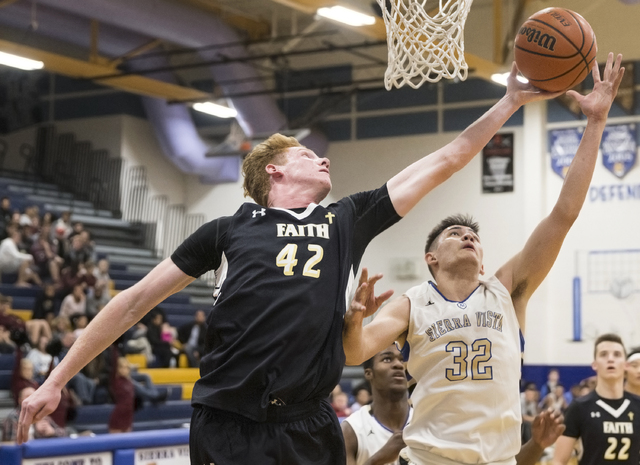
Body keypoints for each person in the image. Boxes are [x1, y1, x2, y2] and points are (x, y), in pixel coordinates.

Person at [17, 59, 563, 463]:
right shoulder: (227, 230)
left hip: (307, 422)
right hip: (227, 421)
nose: (322, 156)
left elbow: (446, 159)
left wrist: (509, 102)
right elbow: (134, 301)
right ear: (273, 173)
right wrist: (57, 379)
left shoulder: (348, 218)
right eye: (306, 153)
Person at [343, 54, 625, 465]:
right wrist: (354, 320)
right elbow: (354, 354)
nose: (467, 236)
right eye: (454, 234)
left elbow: (564, 214)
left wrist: (596, 121)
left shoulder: (506, 290)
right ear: (431, 258)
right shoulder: (411, 303)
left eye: (473, 234)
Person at [342, 344, 565, 465]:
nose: (399, 366)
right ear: (368, 373)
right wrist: (381, 458)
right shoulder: (352, 430)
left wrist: (536, 444)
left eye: (402, 360)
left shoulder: (436, 418)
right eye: (387, 359)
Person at [551, 334, 640, 465]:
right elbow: (559, 461)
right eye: (603, 354)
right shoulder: (579, 407)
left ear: (626, 365)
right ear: (594, 364)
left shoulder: (637, 406)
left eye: (617, 354)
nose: (610, 359)